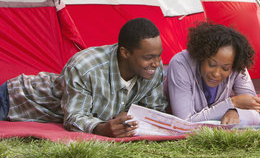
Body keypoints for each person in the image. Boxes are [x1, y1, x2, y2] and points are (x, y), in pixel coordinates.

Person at [0, 17, 168, 138]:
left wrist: (131, 115)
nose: (156, 63)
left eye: (159, 56)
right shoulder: (84, 67)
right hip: (15, 100)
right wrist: (102, 129)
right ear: (125, 53)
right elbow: (74, 117)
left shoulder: (153, 69)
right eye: (148, 57)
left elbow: (153, 112)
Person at [166, 22, 260, 125]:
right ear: (201, 56)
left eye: (225, 68)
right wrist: (232, 103)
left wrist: (235, 112)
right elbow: (185, 122)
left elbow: (258, 112)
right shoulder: (180, 64)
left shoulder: (237, 65)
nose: (216, 74)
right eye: (212, 64)